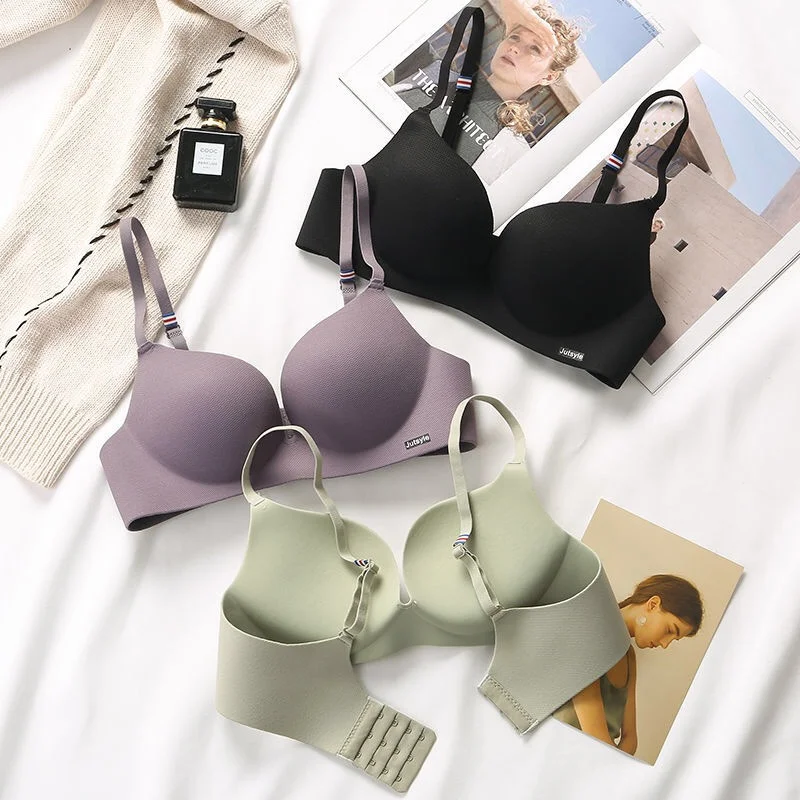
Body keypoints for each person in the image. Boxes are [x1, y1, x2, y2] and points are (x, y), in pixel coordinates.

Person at [389, 0, 581, 180]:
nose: (514, 48)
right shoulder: (434, 69)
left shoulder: (513, 155)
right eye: (514, 36)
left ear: (549, 77)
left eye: (535, 49)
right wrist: (512, 6)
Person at [554, 574, 704, 755]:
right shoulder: (592, 636)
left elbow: (630, 737)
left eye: (674, 639)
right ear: (653, 604)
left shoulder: (629, 657)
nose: (665, 644)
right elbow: (595, 735)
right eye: (669, 630)